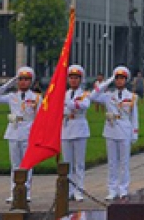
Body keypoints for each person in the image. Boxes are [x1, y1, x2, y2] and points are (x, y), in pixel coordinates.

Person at [90, 66, 139, 201]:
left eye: (121, 78)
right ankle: (112, 189)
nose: (119, 81)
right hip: (111, 130)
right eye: (117, 78)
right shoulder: (108, 96)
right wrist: (108, 81)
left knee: (124, 162)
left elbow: (134, 117)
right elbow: (93, 96)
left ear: (126, 80)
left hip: (124, 129)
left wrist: (134, 133)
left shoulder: (132, 97)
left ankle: (123, 189)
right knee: (112, 162)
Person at [0, 67, 39, 203]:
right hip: (14, 131)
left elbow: (39, 117)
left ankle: (26, 192)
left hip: (28, 131)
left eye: (26, 79)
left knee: (27, 164)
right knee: (15, 165)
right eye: (20, 79)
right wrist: (9, 83)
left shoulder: (36, 97)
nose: (23, 82)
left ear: (31, 81)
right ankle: (14, 191)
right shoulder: (12, 96)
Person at [63, 65, 91, 202]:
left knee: (78, 163)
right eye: (71, 78)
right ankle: (69, 190)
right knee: (67, 163)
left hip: (79, 128)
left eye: (76, 78)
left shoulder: (84, 94)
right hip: (66, 128)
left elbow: (83, 105)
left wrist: (68, 103)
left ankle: (79, 190)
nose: (73, 80)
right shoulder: (64, 94)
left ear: (80, 80)